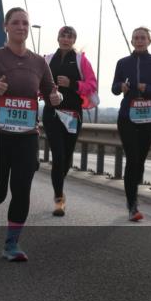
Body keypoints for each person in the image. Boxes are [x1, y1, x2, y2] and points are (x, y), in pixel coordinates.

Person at [0, 7, 61, 262]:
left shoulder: (39, 62)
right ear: (5, 27)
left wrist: (56, 96)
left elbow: (52, 92)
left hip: (27, 134)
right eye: (16, 23)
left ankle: (11, 245)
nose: (21, 27)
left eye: (25, 23)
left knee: (21, 190)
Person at [111, 26, 151, 222]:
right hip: (127, 117)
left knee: (139, 161)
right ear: (131, 42)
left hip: (148, 118)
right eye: (136, 38)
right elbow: (114, 88)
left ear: (149, 41)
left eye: (143, 38)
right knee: (132, 159)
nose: (139, 41)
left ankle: (133, 194)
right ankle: (132, 205)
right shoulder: (123, 63)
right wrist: (120, 86)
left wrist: (148, 88)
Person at [41, 26, 98, 216]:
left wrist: (72, 84)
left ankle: (59, 185)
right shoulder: (48, 59)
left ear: (74, 40)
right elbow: (38, 84)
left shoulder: (81, 60)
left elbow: (92, 84)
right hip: (52, 113)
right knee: (58, 156)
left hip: (73, 114)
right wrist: (47, 92)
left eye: (69, 37)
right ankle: (59, 199)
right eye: (62, 36)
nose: (66, 40)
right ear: (57, 38)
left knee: (65, 158)